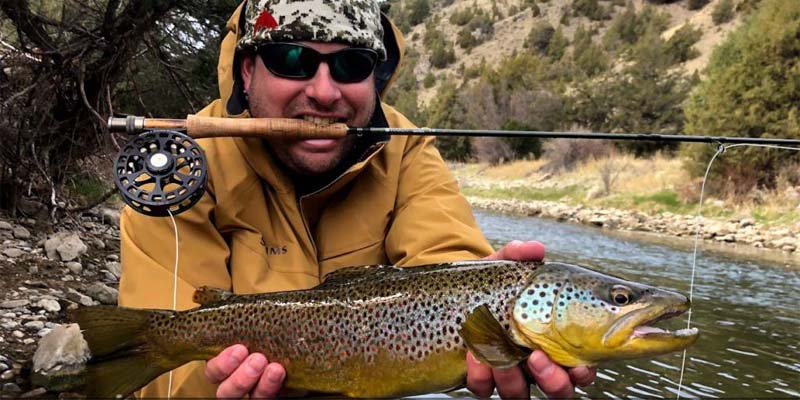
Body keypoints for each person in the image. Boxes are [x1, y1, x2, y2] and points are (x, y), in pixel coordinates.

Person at [118, 0, 596, 398]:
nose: (324, 92)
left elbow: (445, 255)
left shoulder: (405, 147)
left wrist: (484, 287)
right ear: (247, 71)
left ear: (375, 77)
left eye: (351, 65)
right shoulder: (177, 170)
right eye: (292, 60)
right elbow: (163, 383)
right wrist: (216, 387)